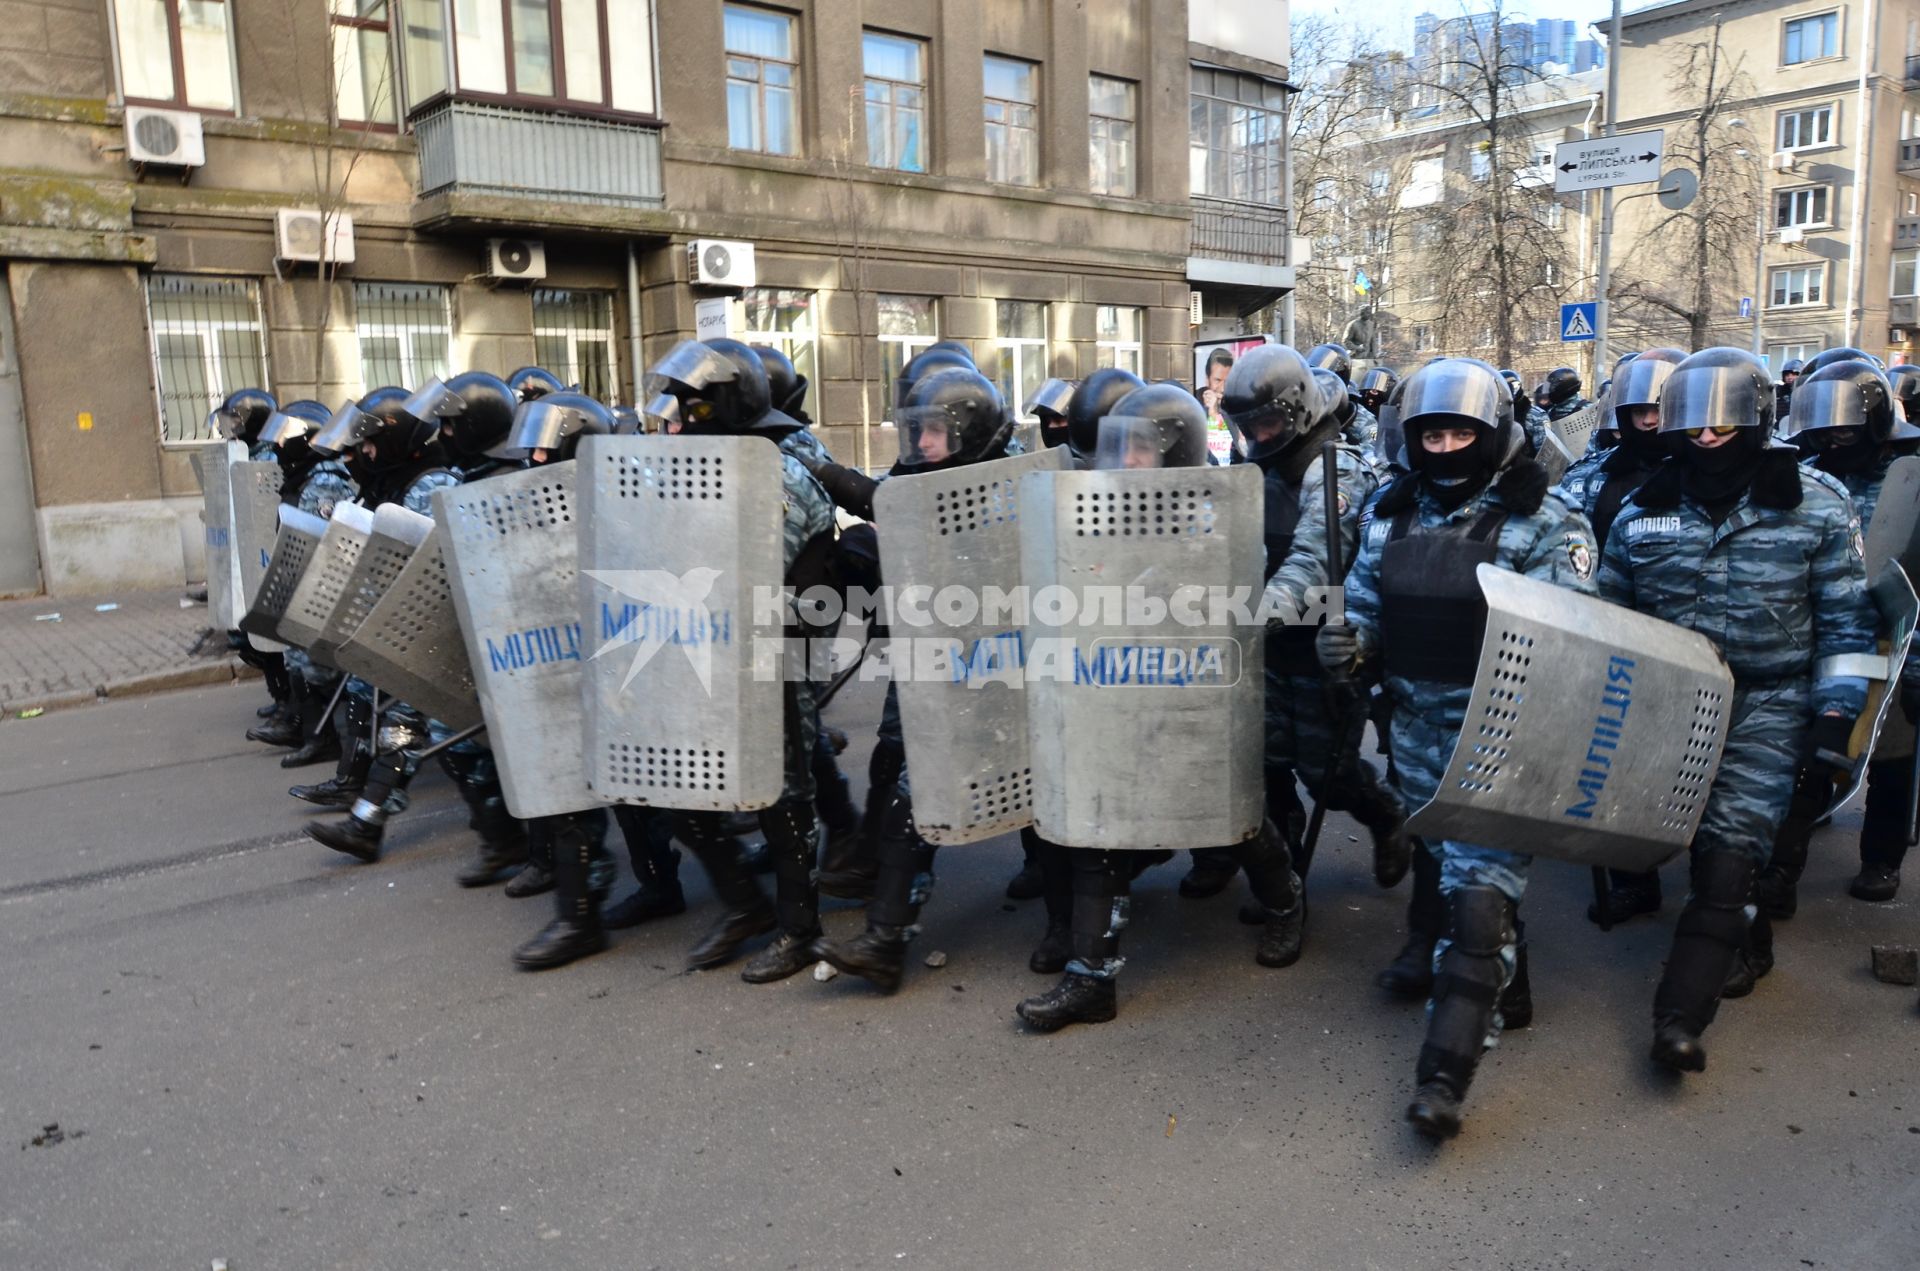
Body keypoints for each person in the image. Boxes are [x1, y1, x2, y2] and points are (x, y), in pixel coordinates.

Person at [1318, 356, 1597, 1139]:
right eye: (1430, 433)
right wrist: (1348, 645)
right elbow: (1365, 602)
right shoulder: (1387, 512)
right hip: (1412, 725)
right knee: (1441, 863)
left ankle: (1442, 1078)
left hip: (1503, 733)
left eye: (1460, 432)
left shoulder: (1544, 519)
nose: (1444, 447)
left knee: (1478, 903)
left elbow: (1576, 632)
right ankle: (1503, 982)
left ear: (1493, 435)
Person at [1598, 347, 1875, 1074]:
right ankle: (1748, 936)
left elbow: (1847, 625)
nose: (1710, 434)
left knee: (1728, 853)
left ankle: (1677, 1023)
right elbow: (1606, 615)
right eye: (1694, 420)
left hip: (1772, 702)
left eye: (1726, 420)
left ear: (1756, 416)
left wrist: (1833, 726)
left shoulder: (1815, 504)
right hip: (1672, 699)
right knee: (1689, 839)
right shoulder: (1643, 509)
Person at [1014, 382, 1308, 1030]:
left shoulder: (1216, 508)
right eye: (1122, 448)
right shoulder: (1104, 503)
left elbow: (1233, 590)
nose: (1128, 461)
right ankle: (1092, 978)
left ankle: (1285, 901)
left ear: (1175, 453)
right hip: (1119, 690)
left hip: (1197, 694)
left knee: (1234, 813)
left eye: (1141, 449)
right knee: (1100, 831)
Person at [806, 366, 1029, 994]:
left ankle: (1072, 927)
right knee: (906, 776)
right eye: (918, 431)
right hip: (932, 659)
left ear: (969, 434)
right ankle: (885, 932)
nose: (923, 444)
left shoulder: (1008, 485)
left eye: (936, 433)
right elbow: (897, 523)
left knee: (1040, 800)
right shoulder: (918, 477)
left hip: (1000, 665)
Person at [646, 339, 839, 983]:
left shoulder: (773, 475)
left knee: (784, 802)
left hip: (769, 664)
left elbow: (784, 589)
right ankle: (746, 907)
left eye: (689, 402)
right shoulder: (694, 468)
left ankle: (799, 931)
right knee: (680, 791)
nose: (676, 415)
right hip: (700, 658)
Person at [1228, 345, 1405, 920]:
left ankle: (1384, 814)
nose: (1260, 434)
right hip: (1261, 650)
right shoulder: (1251, 468)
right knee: (1265, 770)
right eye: (1249, 425)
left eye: (1269, 421)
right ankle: (1281, 889)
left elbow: (1314, 560)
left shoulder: (1334, 468)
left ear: (1298, 411)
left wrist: (1255, 611)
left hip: (1323, 649)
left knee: (1328, 776)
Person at [1760, 359, 1920, 914]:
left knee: (1890, 750)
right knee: (1813, 750)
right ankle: (1781, 869)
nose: (1834, 438)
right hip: (1818, 634)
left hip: (1888, 637)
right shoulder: (1799, 477)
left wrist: (1915, 662)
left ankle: (1882, 857)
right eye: (1824, 428)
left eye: (1847, 428)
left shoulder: (1911, 477)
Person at [1556, 347, 1688, 926]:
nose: (1652, 423)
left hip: (1691, 639)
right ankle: (1633, 877)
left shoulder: (1710, 474)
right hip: (1614, 634)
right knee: (1616, 766)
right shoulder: (1592, 478)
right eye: (1640, 412)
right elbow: (1568, 548)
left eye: (1662, 409)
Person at [1198, 347, 1236, 463]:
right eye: (1217, 380)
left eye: (1227, 381)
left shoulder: (1238, 406)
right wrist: (1210, 412)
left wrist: (1215, 414)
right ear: (1207, 380)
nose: (1223, 388)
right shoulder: (1195, 407)